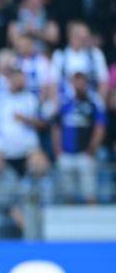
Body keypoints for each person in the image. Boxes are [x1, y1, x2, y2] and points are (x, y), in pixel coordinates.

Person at [52, 72, 106, 203]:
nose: (79, 85)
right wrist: (57, 150)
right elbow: (56, 126)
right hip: (66, 153)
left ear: (86, 83)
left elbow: (100, 127)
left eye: (81, 82)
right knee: (67, 195)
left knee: (89, 194)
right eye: (76, 81)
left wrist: (92, 149)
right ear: (72, 83)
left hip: (85, 154)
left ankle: (92, 214)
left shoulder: (94, 103)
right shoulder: (65, 103)